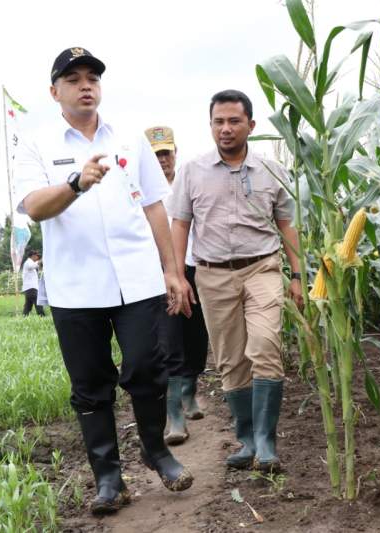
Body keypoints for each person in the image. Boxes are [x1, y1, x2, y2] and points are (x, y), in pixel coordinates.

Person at [13, 47, 192, 515]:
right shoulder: (35, 143)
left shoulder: (130, 140)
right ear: (55, 92)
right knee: (91, 384)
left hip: (137, 281)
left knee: (146, 369)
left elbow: (155, 205)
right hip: (76, 287)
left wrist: (172, 271)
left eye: (92, 77)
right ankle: (109, 478)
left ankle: (157, 452)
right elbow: (33, 207)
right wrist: (75, 183)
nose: (85, 85)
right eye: (72, 79)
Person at [170, 90, 303, 473]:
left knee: (265, 346)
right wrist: (178, 275)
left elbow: (287, 225)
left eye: (233, 121)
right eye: (218, 122)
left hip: (262, 268)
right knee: (230, 360)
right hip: (212, 274)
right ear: (210, 124)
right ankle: (246, 440)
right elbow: (181, 223)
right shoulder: (192, 171)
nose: (225, 129)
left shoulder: (272, 169)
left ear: (251, 125)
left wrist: (297, 275)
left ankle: (266, 442)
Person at [145, 126, 210, 446]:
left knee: (196, 335)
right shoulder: (140, 190)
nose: (161, 160)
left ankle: (190, 391)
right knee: (168, 339)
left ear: (175, 153)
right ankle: (175, 415)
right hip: (159, 273)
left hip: (195, 266)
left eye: (165, 153)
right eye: (155, 154)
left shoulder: (188, 183)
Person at [21, 250, 46, 316]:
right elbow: (32, 266)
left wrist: (41, 263)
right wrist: (41, 260)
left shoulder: (30, 262)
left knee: (28, 305)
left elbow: (37, 266)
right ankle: (42, 316)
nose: (37, 257)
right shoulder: (28, 262)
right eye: (37, 256)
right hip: (31, 287)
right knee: (38, 303)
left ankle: (25, 316)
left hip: (29, 288)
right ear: (33, 256)